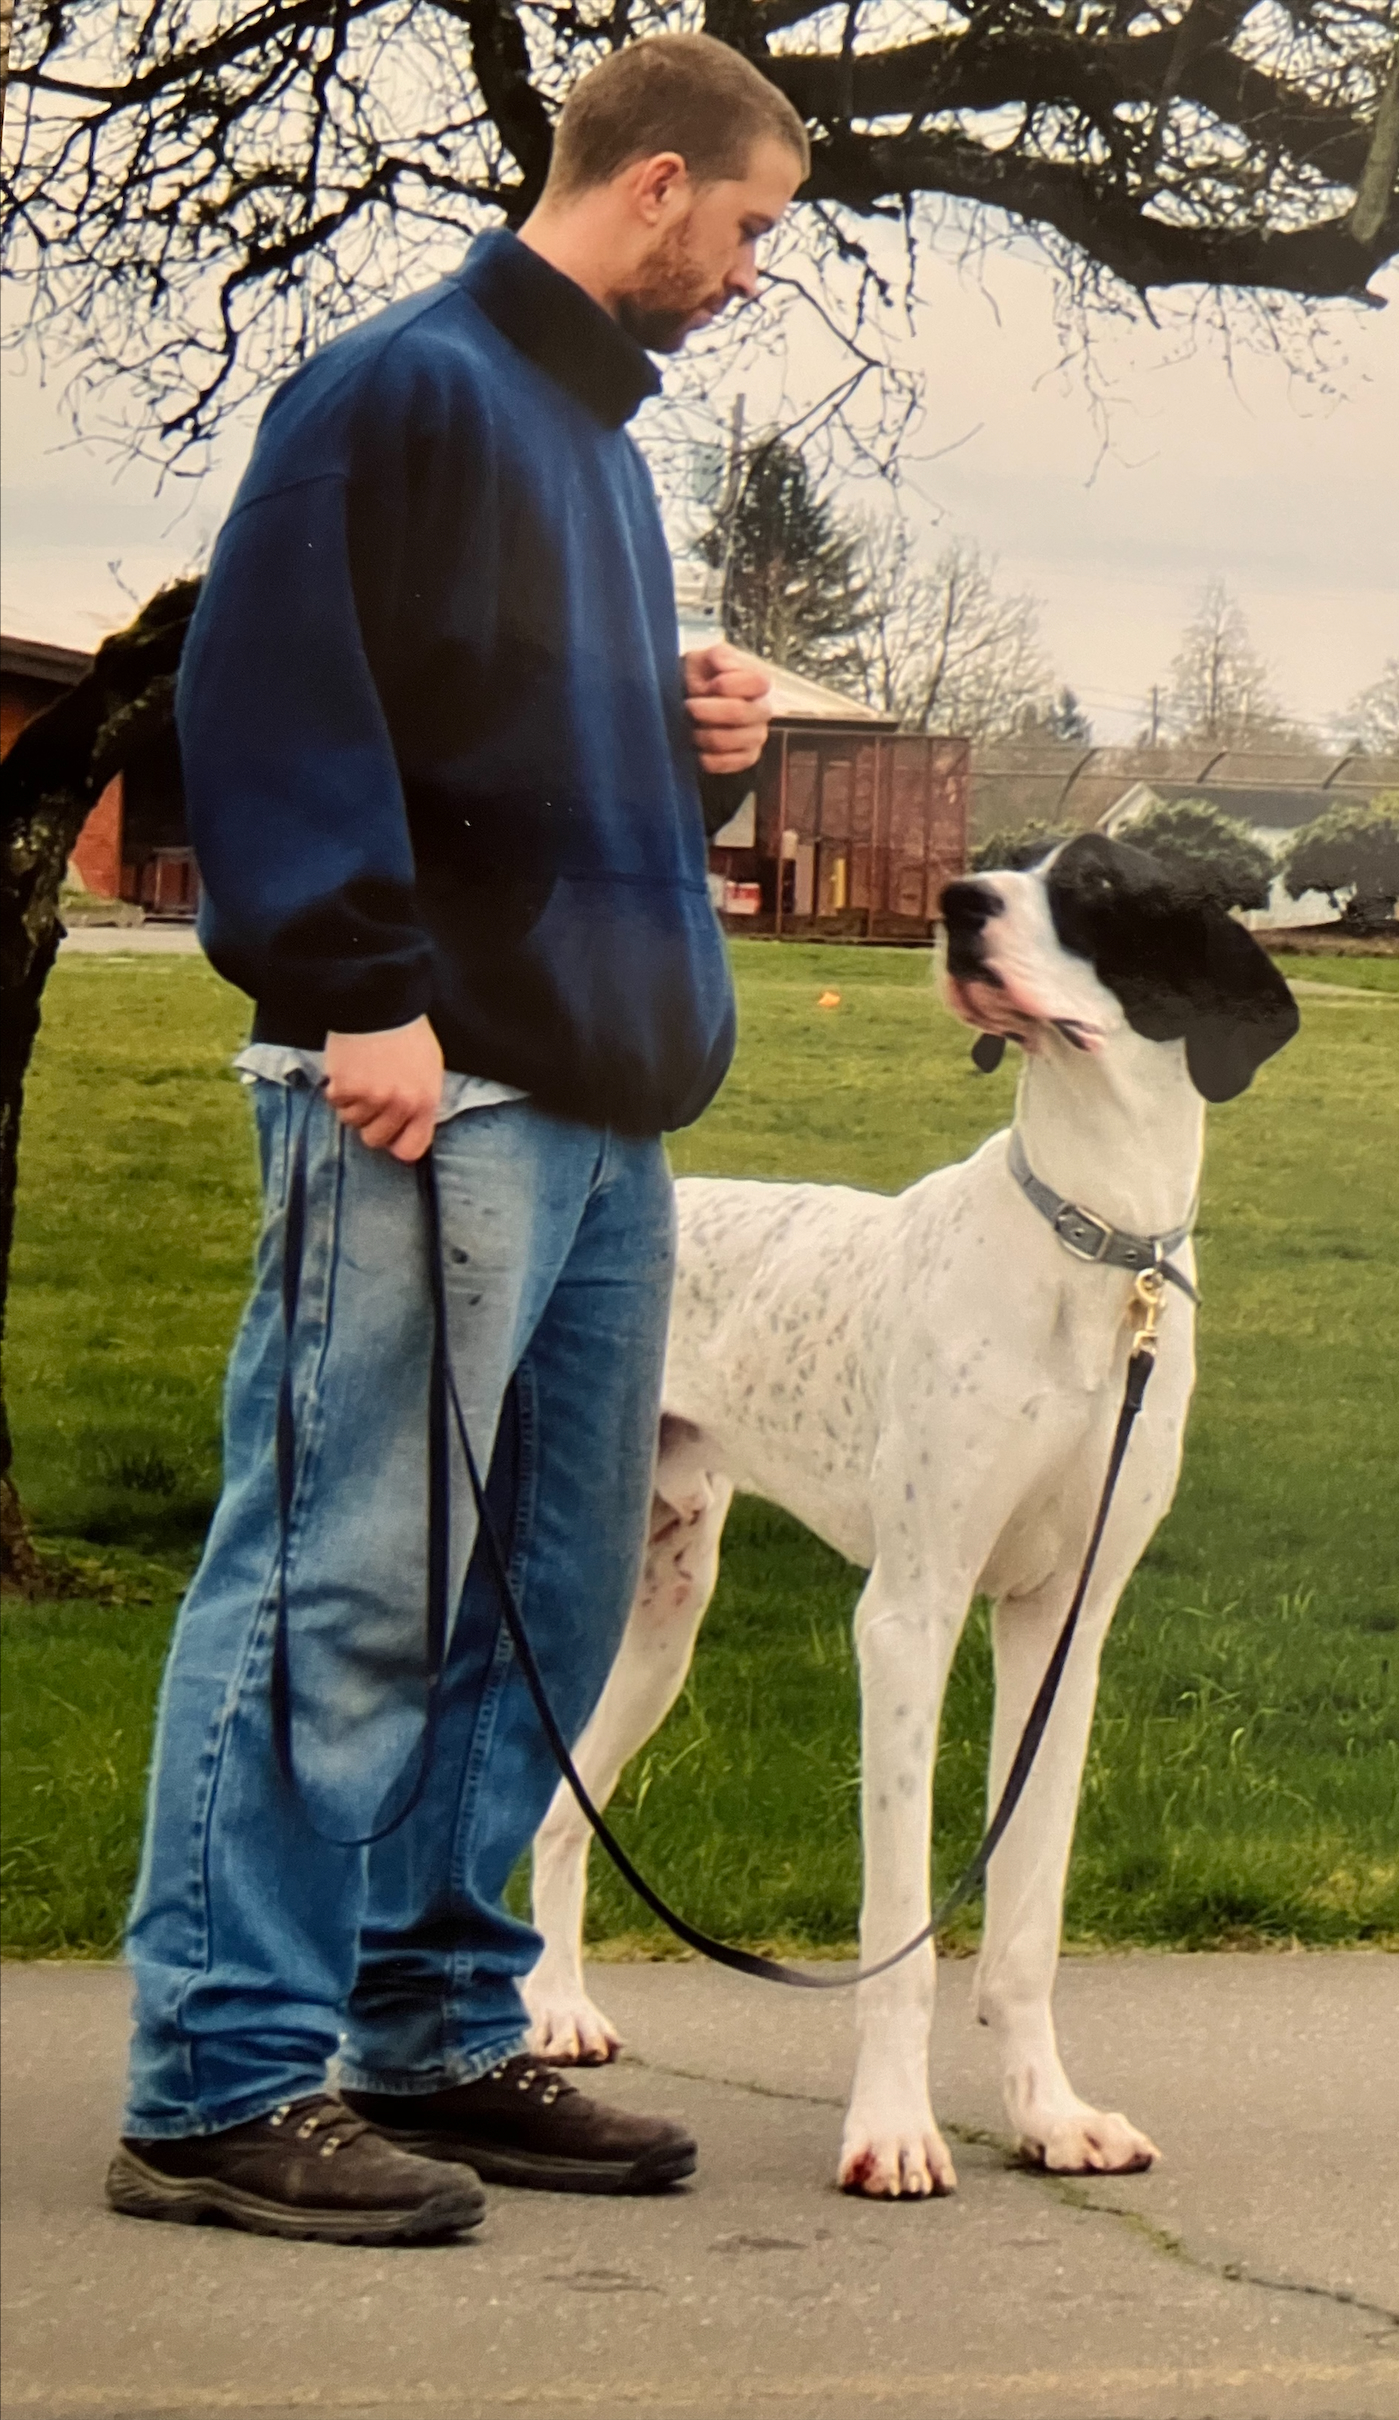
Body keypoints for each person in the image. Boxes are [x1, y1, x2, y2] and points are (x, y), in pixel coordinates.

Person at [105, 34, 809, 2246]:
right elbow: (267, 699)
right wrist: (355, 990)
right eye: (757, 230)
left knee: (548, 1586)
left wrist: (690, 752)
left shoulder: (587, 443)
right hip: (435, 1090)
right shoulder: (396, 393)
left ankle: (430, 2024)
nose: (756, 275)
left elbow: (500, 766)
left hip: (598, 1114)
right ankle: (219, 2080)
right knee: (344, 1568)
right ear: (661, 183)